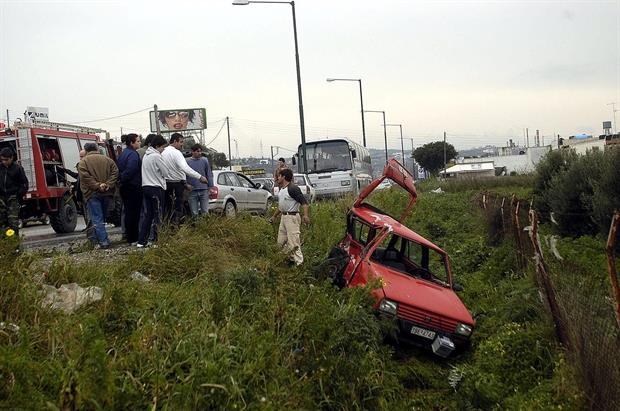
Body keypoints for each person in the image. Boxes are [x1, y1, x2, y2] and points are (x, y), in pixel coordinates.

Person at [162, 133, 209, 225]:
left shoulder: (163, 152)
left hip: (165, 184)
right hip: (176, 185)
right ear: (175, 141)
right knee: (178, 208)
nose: (182, 144)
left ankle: (169, 228)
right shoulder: (176, 153)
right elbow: (185, 168)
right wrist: (200, 177)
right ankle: (177, 228)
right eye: (181, 142)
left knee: (168, 208)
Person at [78, 143, 118, 249]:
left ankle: (103, 241)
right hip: (107, 192)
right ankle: (97, 239)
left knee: (97, 218)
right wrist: (108, 184)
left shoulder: (83, 162)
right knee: (102, 217)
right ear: (96, 149)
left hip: (92, 193)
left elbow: (85, 177)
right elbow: (115, 172)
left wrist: (97, 186)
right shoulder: (108, 160)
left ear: (86, 151)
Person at [269, 168, 310, 266]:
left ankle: (299, 264)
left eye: (279, 176)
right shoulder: (282, 190)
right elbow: (281, 206)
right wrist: (274, 216)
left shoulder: (293, 189)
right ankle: (290, 260)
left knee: (294, 242)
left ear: (283, 177)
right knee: (280, 242)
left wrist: (305, 215)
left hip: (292, 217)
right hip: (284, 217)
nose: (277, 178)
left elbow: (304, 203)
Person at [137, 135, 169, 248]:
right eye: (163, 147)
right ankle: (159, 240)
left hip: (146, 186)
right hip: (156, 187)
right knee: (158, 215)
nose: (163, 149)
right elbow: (166, 172)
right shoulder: (156, 156)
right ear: (157, 146)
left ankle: (141, 241)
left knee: (148, 215)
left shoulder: (146, 156)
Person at [116, 133, 142, 244]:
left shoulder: (123, 154)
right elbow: (130, 170)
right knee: (134, 213)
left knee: (128, 212)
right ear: (131, 142)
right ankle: (134, 237)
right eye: (138, 141)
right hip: (132, 186)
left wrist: (121, 180)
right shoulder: (133, 154)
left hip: (125, 186)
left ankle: (129, 236)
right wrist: (123, 179)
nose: (140, 143)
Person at [0, 147, 28, 235]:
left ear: (11, 158)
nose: (4, 162)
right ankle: (5, 245)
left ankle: (15, 245)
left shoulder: (18, 168)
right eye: (2, 160)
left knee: (12, 223)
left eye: (6, 160)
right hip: (1, 198)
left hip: (13, 198)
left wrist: (17, 195)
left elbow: (24, 184)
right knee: (2, 222)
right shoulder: (0, 168)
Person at [186, 144, 214, 217]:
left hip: (203, 190)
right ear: (192, 151)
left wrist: (211, 187)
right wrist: (186, 185)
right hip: (192, 190)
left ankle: (205, 227)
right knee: (194, 212)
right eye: (197, 151)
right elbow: (184, 175)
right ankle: (197, 226)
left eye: (200, 151)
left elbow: (209, 173)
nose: (199, 153)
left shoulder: (204, 160)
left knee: (205, 211)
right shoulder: (187, 161)